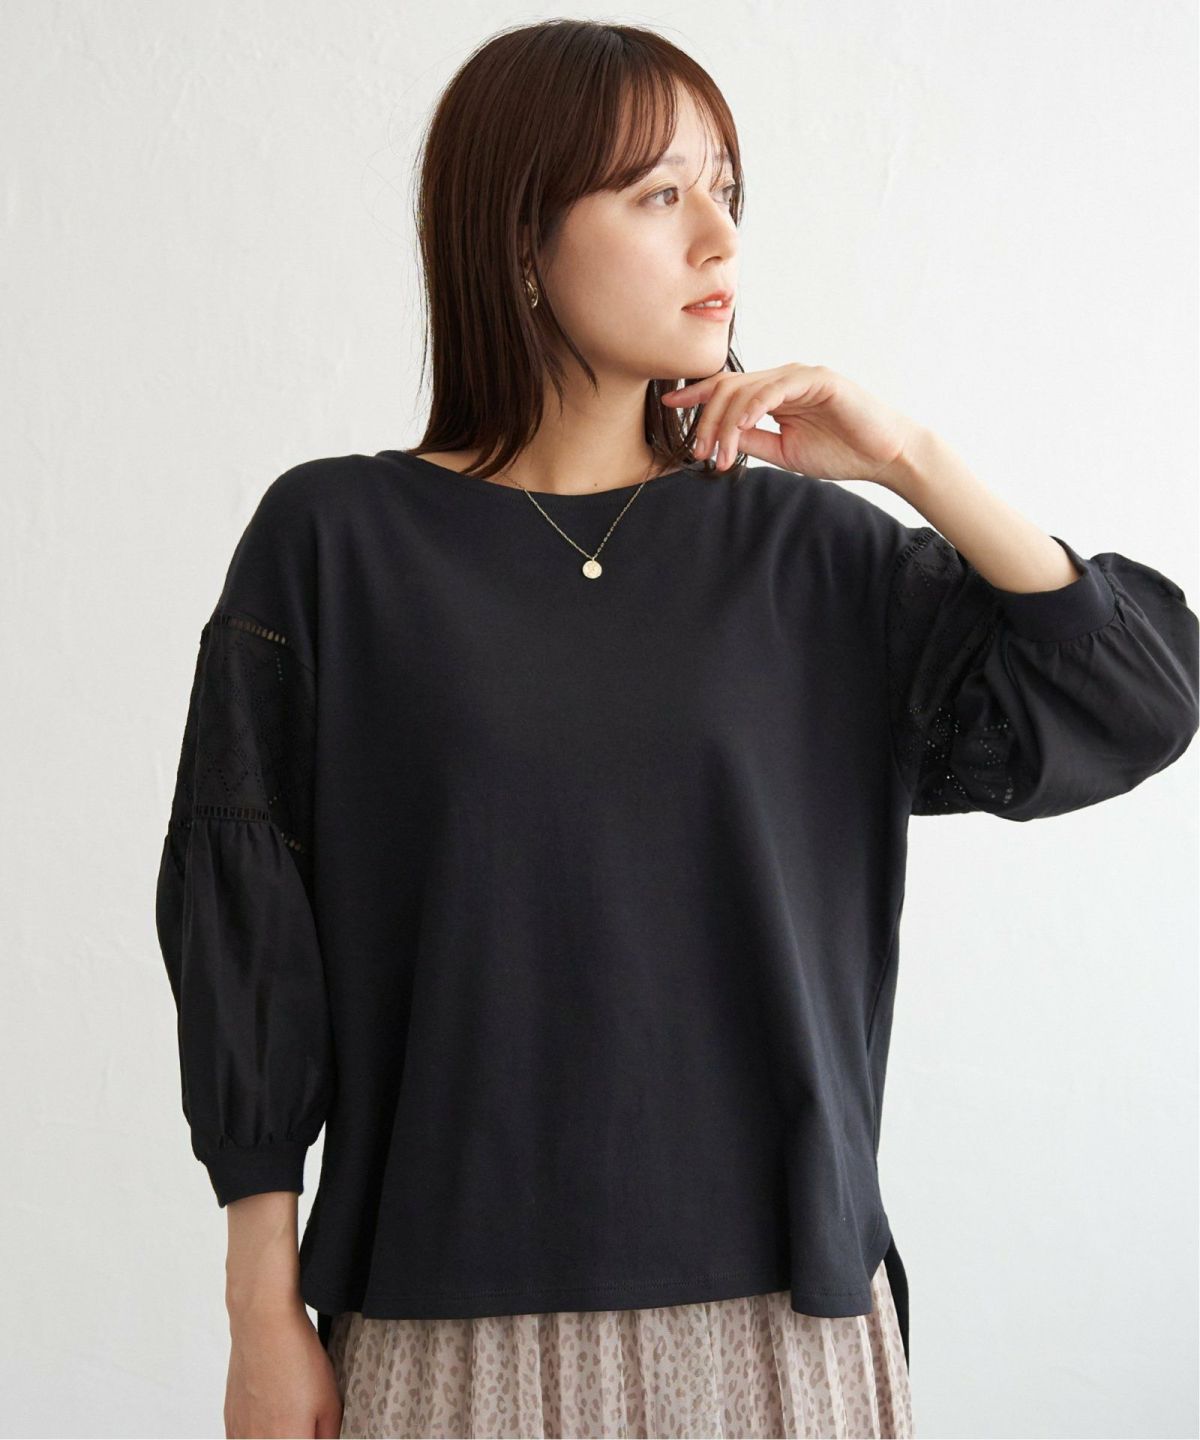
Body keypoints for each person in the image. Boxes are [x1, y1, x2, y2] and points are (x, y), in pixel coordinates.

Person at [154, 19, 1198, 1440]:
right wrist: (259, 1312)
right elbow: (245, 935)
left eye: (728, 190)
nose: (720, 237)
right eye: (659, 194)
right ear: (519, 239)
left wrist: (908, 460)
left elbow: (1140, 698)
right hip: (447, 1325)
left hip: (779, 1326)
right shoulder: (336, 544)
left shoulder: (816, 559)